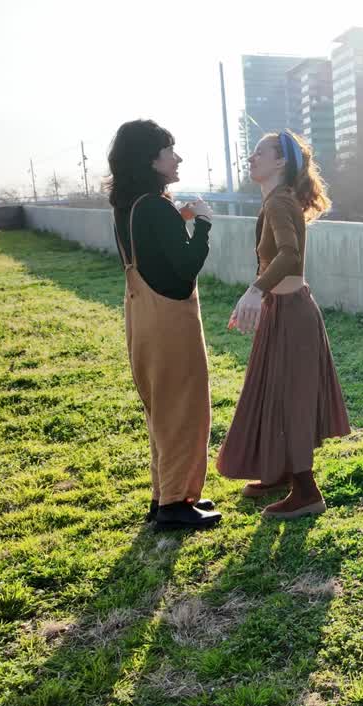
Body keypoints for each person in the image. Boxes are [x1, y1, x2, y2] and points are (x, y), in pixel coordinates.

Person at [215, 130, 350, 519]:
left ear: (280, 162)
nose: (251, 158)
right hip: (285, 309)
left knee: (292, 399)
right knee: (274, 392)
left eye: (260, 152)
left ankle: (306, 492)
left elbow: (290, 256)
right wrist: (261, 296)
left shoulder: (278, 202)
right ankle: (278, 473)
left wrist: (254, 291)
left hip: (292, 313)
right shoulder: (278, 199)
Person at [104, 119, 222, 531]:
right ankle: (175, 503)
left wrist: (179, 216)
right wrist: (202, 222)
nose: (178, 158)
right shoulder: (155, 206)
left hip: (141, 317)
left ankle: (168, 494)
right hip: (171, 321)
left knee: (162, 408)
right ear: (150, 160)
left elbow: (152, 247)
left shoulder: (129, 206)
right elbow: (186, 265)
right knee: (184, 408)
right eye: (170, 151)